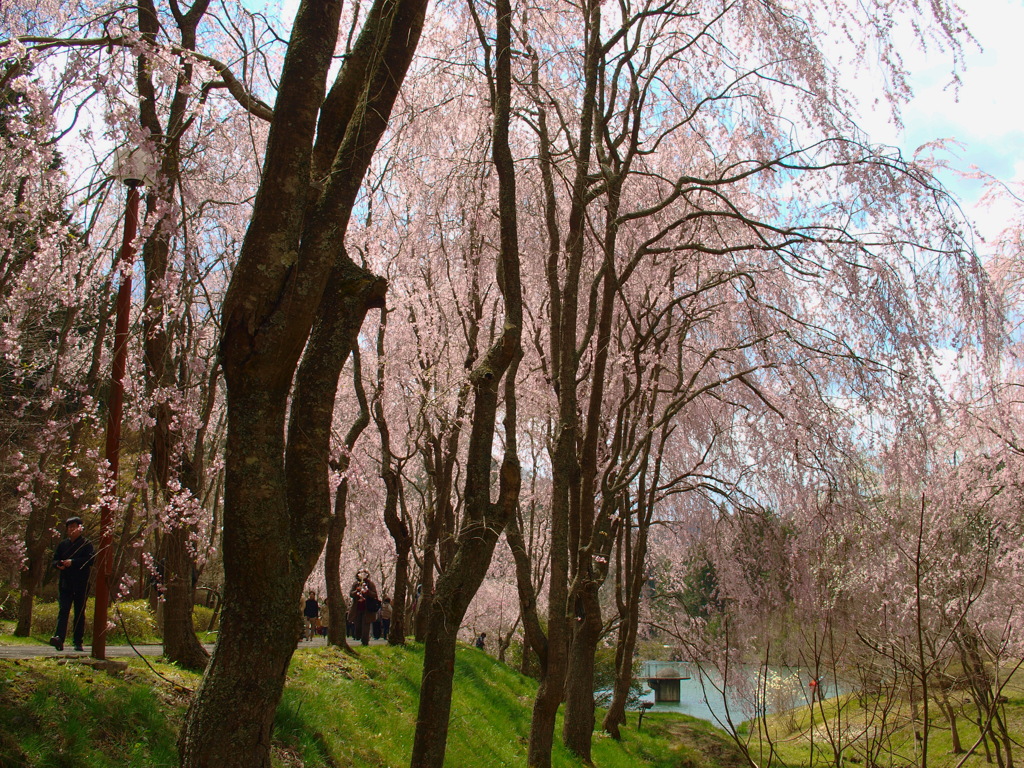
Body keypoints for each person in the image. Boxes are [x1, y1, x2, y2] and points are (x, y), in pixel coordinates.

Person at [49, 516, 95, 652]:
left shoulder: (87, 544)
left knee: (79, 612)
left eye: (74, 527)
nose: (72, 530)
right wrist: (59, 565)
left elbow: (90, 560)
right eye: (69, 527)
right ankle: (59, 638)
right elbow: (54, 560)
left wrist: (73, 562)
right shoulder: (63, 544)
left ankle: (77, 641)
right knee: (63, 611)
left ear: (80, 528)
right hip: (65, 583)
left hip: (81, 583)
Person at [348, 568, 379, 646]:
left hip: (367, 609)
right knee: (357, 626)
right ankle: (358, 636)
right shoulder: (356, 584)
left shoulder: (370, 584)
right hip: (357, 609)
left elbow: (374, 594)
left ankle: (365, 642)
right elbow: (351, 594)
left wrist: (367, 591)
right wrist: (357, 591)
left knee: (366, 626)